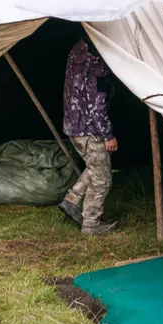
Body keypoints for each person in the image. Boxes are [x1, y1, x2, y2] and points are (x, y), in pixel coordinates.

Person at [58, 32, 119, 235]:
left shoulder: (77, 52)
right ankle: (91, 223)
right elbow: (97, 106)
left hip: (74, 126)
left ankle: (72, 200)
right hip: (91, 130)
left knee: (94, 167)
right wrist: (108, 135)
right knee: (102, 178)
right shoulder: (96, 67)